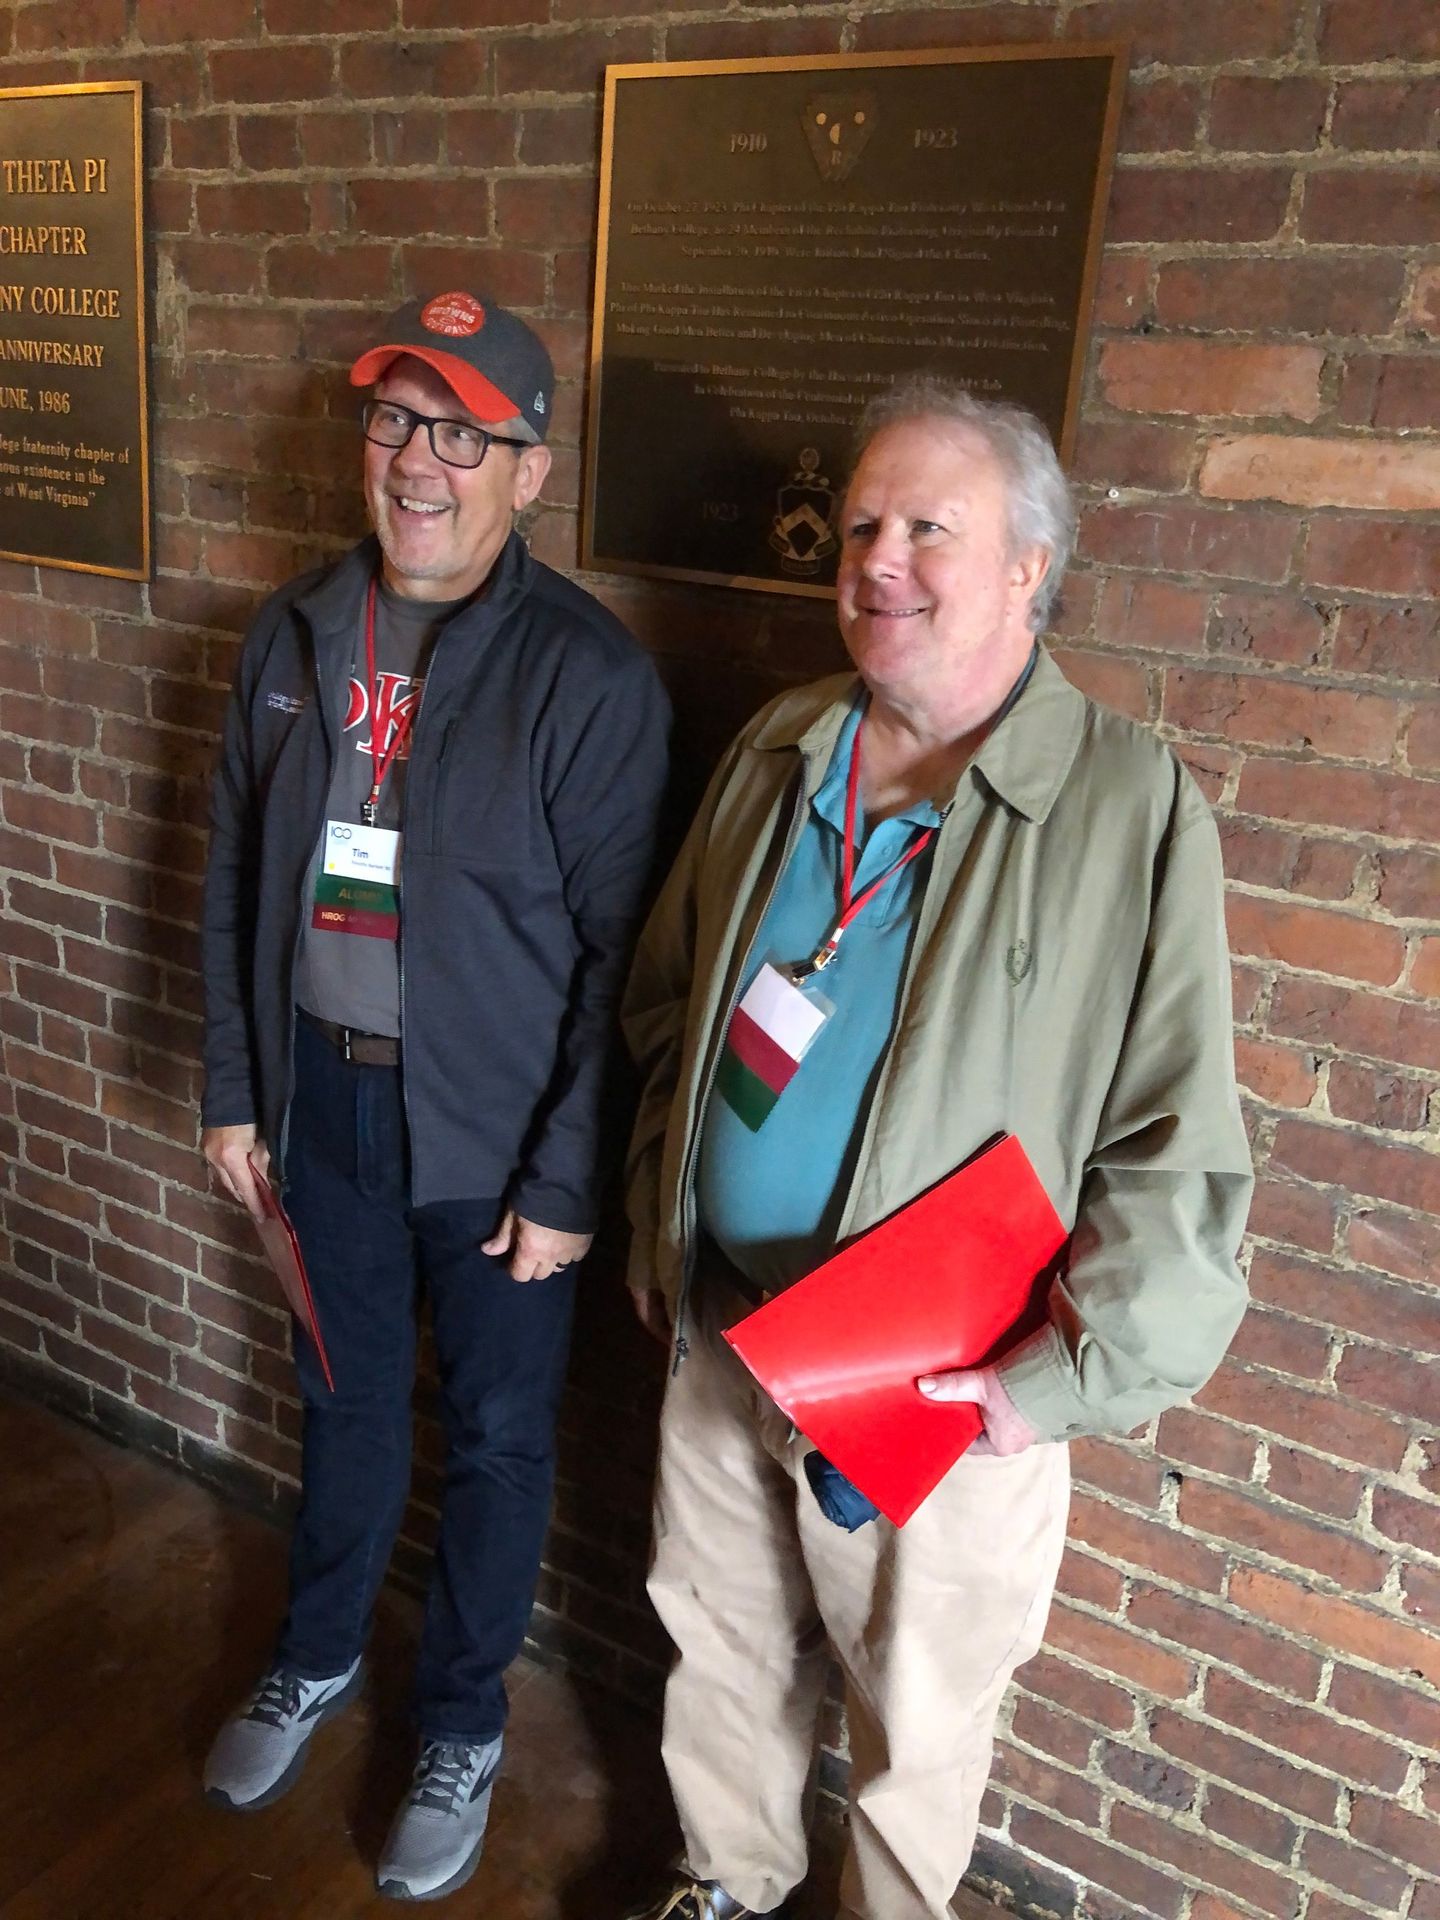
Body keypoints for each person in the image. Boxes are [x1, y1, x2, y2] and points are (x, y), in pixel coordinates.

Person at [620, 375, 1252, 1920]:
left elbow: (1179, 1142)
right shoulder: (783, 748)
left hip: (939, 1402)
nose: (877, 560)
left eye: (926, 529)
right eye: (859, 527)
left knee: (920, 1725)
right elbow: (665, 1009)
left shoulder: (1129, 805)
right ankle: (726, 1882)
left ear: (1030, 569)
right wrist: (660, 1216)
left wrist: (1046, 1392)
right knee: (720, 1649)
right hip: (728, 1334)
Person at [198, 289, 669, 1902]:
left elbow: (624, 961)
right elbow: (235, 879)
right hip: (323, 1107)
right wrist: (235, 1087)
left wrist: (564, 1179)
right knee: (341, 1399)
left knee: (497, 1439)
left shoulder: (588, 679)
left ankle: (460, 1723)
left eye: (463, 433)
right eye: (397, 419)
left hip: (492, 1146)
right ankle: (320, 1649)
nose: (418, 462)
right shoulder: (296, 633)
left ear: (528, 472)